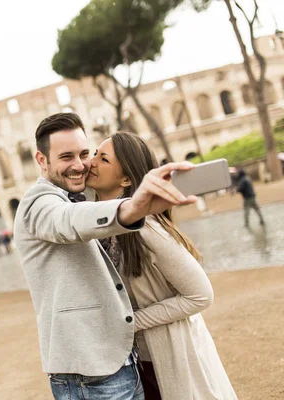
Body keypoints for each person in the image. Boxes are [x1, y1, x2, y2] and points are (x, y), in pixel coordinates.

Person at [13, 113, 197, 400]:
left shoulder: (79, 197)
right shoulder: (38, 204)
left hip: (117, 364)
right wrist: (131, 207)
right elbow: (69, 221)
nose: (79, 165)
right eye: (65, 157)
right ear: (41, 160)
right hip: (90, 375)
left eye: (85, 153)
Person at [85, 132, 237, 399]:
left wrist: (131, 322)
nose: (91, 161)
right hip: (136, 361)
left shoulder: (147, 230)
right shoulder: (99, 224)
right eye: (95, 153)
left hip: (168, 357)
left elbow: (201, 295)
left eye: (103, 158)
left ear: (127, 179)